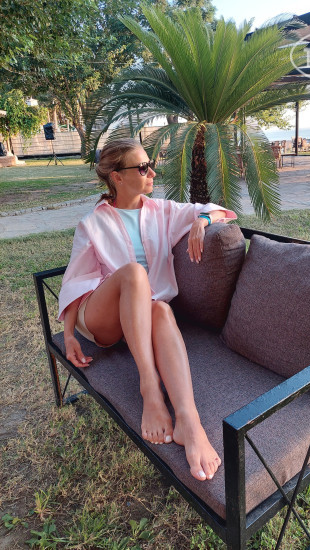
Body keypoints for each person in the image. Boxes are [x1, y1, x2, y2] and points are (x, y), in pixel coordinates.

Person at [58, 138, 237, 482]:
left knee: (161, 310)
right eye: (142, 168)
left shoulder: (163, 211)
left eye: (151, 164)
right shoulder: (92, 224)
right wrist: (68, 336)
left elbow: (219, 210)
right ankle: (150, 387)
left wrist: (200, 221)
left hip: (144, 316)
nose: (152, 172)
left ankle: (189, 421)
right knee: (134, 274)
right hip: (101, 318)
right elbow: (75, 281)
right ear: (117, 177)